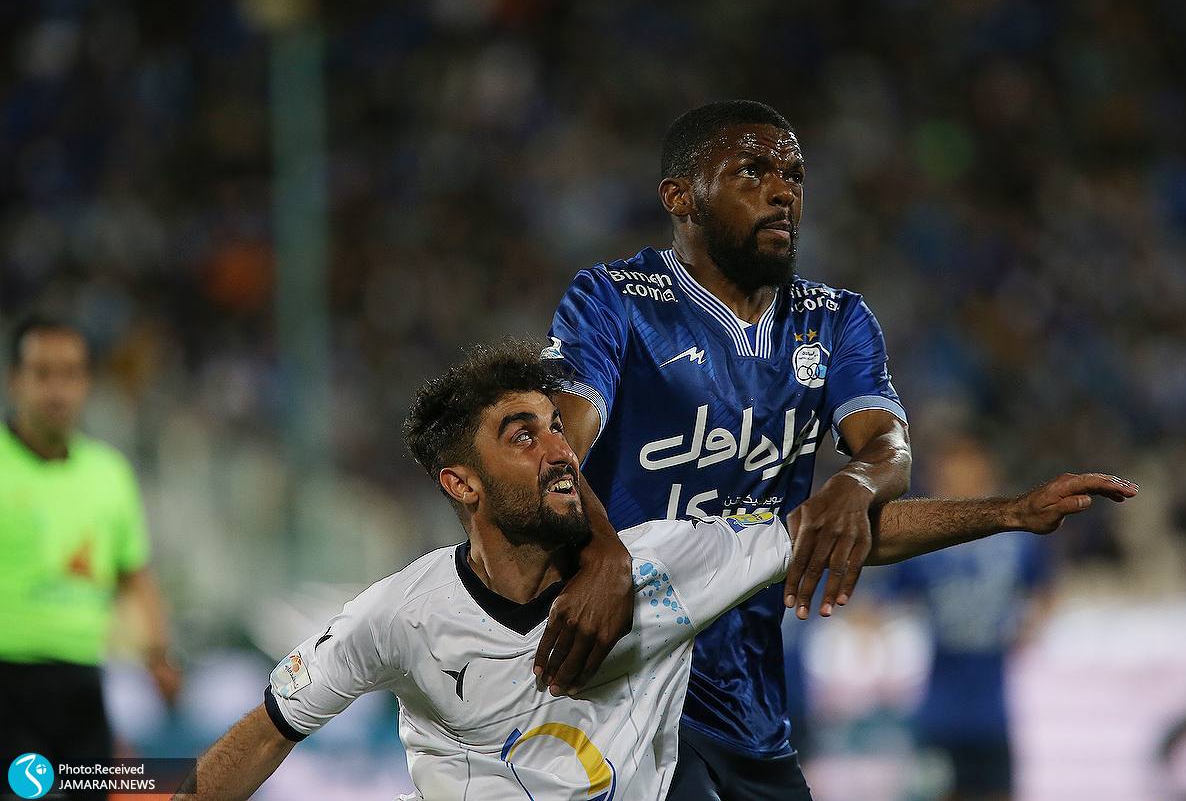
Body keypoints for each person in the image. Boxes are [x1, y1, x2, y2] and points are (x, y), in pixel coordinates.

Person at [535, 99, 1140, 798]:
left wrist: (970, 504)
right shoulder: (613, 300)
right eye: (752, 171)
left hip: (752, 706)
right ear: (681, 197)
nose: (782, 191)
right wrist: (603, 554)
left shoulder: (836, 319)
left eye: (794, 175)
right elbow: (552, 451)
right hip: (628, 685)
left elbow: (885, 453)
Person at [179, 341, 795, 800]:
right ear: (461, 484)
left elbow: (821, 533)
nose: (561, 451)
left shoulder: (666, 566)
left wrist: (848, 482)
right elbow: (269, 731)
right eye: (523, 437)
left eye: (557, 428)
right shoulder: (400, 615)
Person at [0, 316, 181, 783]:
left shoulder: (109, 474)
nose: (57, 391)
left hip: (84, 687)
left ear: (86, 384)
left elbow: (132, 574)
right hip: (8, 684)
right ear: (14, 380)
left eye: (70, 374)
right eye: (42, 374)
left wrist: (158, 658)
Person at [881, 437, 1055, 801]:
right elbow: (886, 601)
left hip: (991, 710)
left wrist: (1030, 625)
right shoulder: (923, 542)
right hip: (940, 710)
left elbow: (1045, 587)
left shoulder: (1016, 540)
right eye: (951, 476)